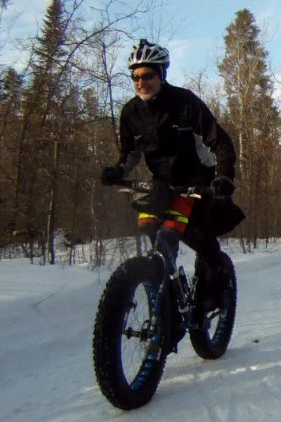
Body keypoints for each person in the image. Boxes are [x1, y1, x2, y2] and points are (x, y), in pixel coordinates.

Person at [100, 39, 239, 312]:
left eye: (148, 75)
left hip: (199, 178)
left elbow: (220, 142)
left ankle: (216, 287)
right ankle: (165, 285)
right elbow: (129, 153)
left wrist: (224, 176)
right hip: (162, 182)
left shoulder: (185, 102)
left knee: (198, 236)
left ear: (161, 74)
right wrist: (118, 171)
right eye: (136, 77)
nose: (142, 82)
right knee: (151, 228)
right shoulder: (130, 112)